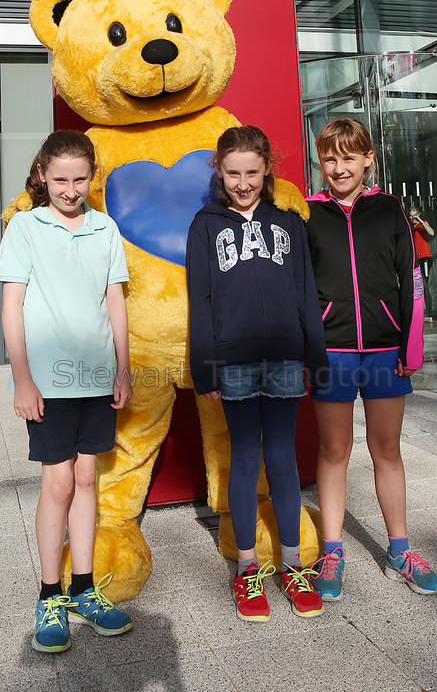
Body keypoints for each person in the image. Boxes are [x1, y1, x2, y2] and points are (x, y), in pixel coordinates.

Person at [186, 125, 329, 622]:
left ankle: (292, 564)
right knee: (245, 460)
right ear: (219, 172)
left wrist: (316, 357)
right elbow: (199, 300)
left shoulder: (288, 223)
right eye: (233, 173)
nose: (243, 182)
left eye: (252, 171)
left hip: (287, 358)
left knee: (283, 460)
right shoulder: (204, 225)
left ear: (267, 168)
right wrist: (204, 363)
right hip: (234, 362)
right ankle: (247, 568)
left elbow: (306, 293)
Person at [0, 129, 134, 653]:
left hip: (97, 377)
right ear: (41, 176)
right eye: (60, 179)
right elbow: (12, 306)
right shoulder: (25, 228)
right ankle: (49, 594)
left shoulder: (104, 228)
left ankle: (83, 589)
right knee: (56, 484)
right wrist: (23, 377)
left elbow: (114, 300)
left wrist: (122, 369)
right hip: (47, 381)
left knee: (85, 478)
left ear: (91, 177)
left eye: (80, 179)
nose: (71, 189)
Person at [305, 117, 437, 602]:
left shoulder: (390, 212)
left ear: (368, 159)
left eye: (348, 157)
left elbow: (412, 279)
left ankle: (400, 551)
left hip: (386, 350)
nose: (339, 167)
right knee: (334, 451)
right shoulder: (308, 215)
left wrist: (411, 346)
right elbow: (301, 291)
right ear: (320, 162)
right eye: (329, 158)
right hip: (331, 351)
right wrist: (308, 349)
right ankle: (332, 550)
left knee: (387, 451)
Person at [409, 206, 435, 321]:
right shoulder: (412, 228)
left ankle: (429, 313)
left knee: (424, 284)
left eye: (415, 215)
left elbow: (432, 232)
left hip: (424, 258)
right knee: (417, 286)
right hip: (416, 260)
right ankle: (420, 312)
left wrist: (420, 220)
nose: (413, 218)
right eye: (411, 216)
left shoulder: (422, 224)